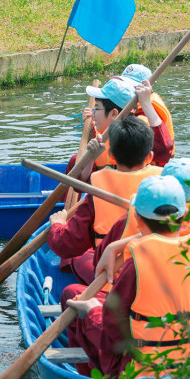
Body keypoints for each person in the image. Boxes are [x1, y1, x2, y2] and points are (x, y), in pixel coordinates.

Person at [61, 175, 190, 378]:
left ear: (136, 217)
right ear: (184, 214)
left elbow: (114, 330)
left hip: (147, 372)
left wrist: (93, 310)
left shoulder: (137, 262)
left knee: (81, 304)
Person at [48, 116, 161, 283]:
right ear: (150, 156)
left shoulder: (99, 188)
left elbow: (67, 244)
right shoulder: (164, 181)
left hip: (114, 278)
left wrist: (57, 225)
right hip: (157, 273)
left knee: (73, 263)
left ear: (111, 155)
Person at [94, 157, 190, 285]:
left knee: (76, 276)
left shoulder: (134, 222)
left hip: (141, 290)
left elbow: (101, 263)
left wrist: (114, 246)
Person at [66, 77, 173, 181]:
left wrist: (146, 103)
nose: (93, 114)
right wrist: (91, 156)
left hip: (138, 194)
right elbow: (81, 184)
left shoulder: (139, 133)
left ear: (113, 113)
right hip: (110, 192)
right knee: (75, 161)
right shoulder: (101, 136)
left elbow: (164, 150)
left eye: (97, 108)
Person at [117, 63, 175, 156]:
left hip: (153, 162)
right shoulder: (128, 102)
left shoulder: (151, 106)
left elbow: (161, 146)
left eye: (130, 86)